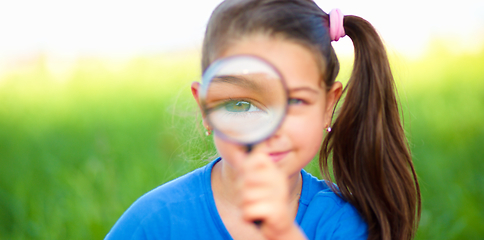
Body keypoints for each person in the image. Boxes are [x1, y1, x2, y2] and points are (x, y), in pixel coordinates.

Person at [105, 0, 421, 239]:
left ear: (328, 105)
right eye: (241, 104)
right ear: (206, 108)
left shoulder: (340, 226)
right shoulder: (156, 223)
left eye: (295, 100)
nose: (269, 130)